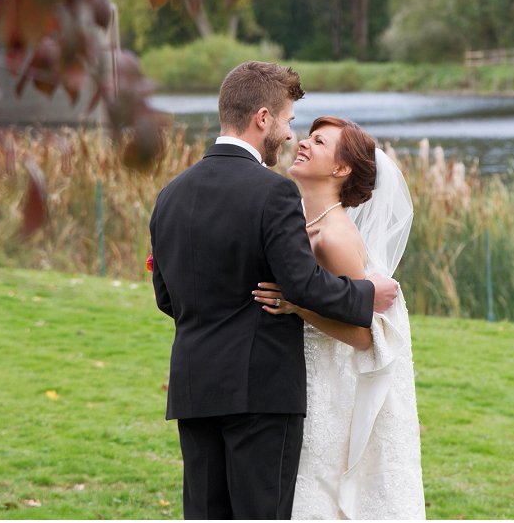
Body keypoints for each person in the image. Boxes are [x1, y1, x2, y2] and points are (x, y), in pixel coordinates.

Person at [149, 61, 400, 520]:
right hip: (261, 394)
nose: (289, 135)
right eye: (286, 121)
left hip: (194, 386)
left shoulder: (171, 194)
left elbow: (167, 297)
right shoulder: (273, 193)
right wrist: (367, 297)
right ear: (262, 118)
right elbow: (301, 283)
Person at [253, 116, 426, 519]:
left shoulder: (336, 236)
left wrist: (299, 306)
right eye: (308, 137)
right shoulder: (299, 221)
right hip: (301, 377)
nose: (304, 145)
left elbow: (364, 336)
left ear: (341, 169)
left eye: (319, 142)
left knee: (321, 492)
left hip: (331, 387)